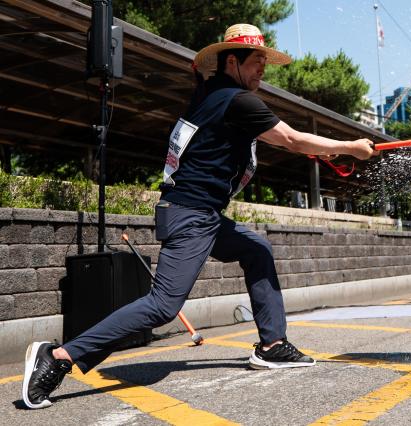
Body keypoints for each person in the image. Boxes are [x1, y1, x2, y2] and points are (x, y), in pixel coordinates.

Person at [22, 23, 377, 409]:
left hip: (201, 213)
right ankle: (58, 357)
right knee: (162, 305)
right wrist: (349, 147)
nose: (263, 70)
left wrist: (324, 150)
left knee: (256, 249)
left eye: (264, 63)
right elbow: (290, 139)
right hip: (191, 214)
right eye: (257, 62)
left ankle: (272, 345)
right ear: (232, 61)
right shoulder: (236, 100)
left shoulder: (211, 95)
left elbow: (255, 137)